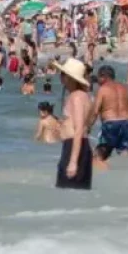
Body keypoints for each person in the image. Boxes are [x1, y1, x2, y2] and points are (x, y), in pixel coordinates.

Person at [54, 58, 94, 190]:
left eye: (63, 74)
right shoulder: (82, 96)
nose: (61, 77)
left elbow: (79, 129)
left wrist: (73, 161)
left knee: (67, 189)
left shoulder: (77, 96)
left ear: (70, 78)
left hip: (75, 147)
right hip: (78, 146)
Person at [92, 65, 128, 161]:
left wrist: (87, 127)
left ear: (103, 77)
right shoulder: (126, 89)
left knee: (99, 154)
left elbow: (95, 111)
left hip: (110, 124)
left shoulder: (102, 89)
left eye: (98, 77)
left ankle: (99, 174)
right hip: (126, 123)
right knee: (125, 153)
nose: (98, 81)